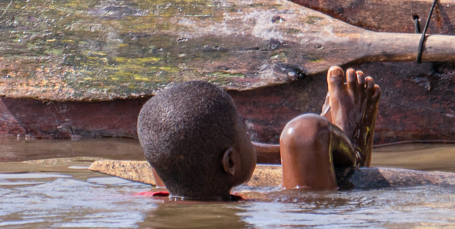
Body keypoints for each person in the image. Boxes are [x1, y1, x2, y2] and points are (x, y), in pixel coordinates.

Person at [136, 66, 380, 199]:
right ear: (230, 161)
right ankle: (354, 149)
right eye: (244, 129)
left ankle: (322, 155)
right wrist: (319, 143)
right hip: (306, 227)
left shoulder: (171, 168)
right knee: (303, 134)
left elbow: (175, 149)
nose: (249, 136)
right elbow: (309, 133)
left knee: (175, 142)